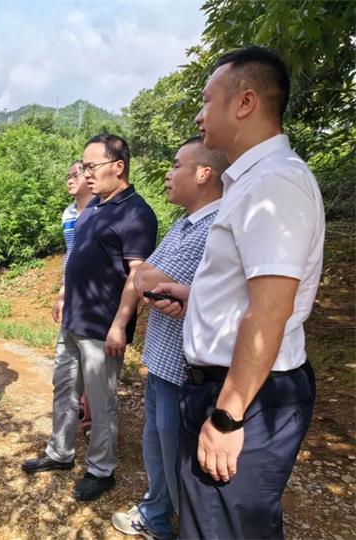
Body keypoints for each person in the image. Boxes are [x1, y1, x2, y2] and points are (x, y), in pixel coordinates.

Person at [148, 47, 324, 538]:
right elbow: (248, 291)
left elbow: (271, 310)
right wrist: (195, 298)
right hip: (232, 386)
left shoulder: (274, 184)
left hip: (245, 395)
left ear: (245, 102)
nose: (199, 115)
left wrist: (228, 416)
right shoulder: (250, 182)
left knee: (220, 527)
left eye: (207, 100)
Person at [22, 134, 158, 501]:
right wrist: (64, 293)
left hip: (102, 326)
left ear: (119, 166)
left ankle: (101, 469)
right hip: (73, 319)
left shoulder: (136, 213)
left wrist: (120, 325)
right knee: (65, 389)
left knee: (100, 401)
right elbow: (77, 257)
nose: (86, 174)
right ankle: (60, 452)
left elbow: (137, 275)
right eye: (83, 167)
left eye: (92, 166)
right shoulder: (93, 206)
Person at [110, 137, 227, 539]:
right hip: (161, 360)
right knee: (157, 446)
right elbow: (142, 276)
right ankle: (156, 515)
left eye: (177, 165)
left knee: (178, 456)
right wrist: (149, 281)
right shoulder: (184, 223)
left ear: (204, 173)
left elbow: (147, 278)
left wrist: (148, 280)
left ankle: (185, 526)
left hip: (182, 369)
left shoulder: (215, 227)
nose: (168, 173)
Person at [51, 160, 94, 438]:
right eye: (67, 175)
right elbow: (70, 255)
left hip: (94, 296)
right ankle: (77, 410)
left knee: (93, 361)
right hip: (73, 295)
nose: (70, 179)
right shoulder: (68, 213)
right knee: (70, 359)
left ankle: (91, 421)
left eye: (75, 175)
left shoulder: (100, 209)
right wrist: (62, 292)